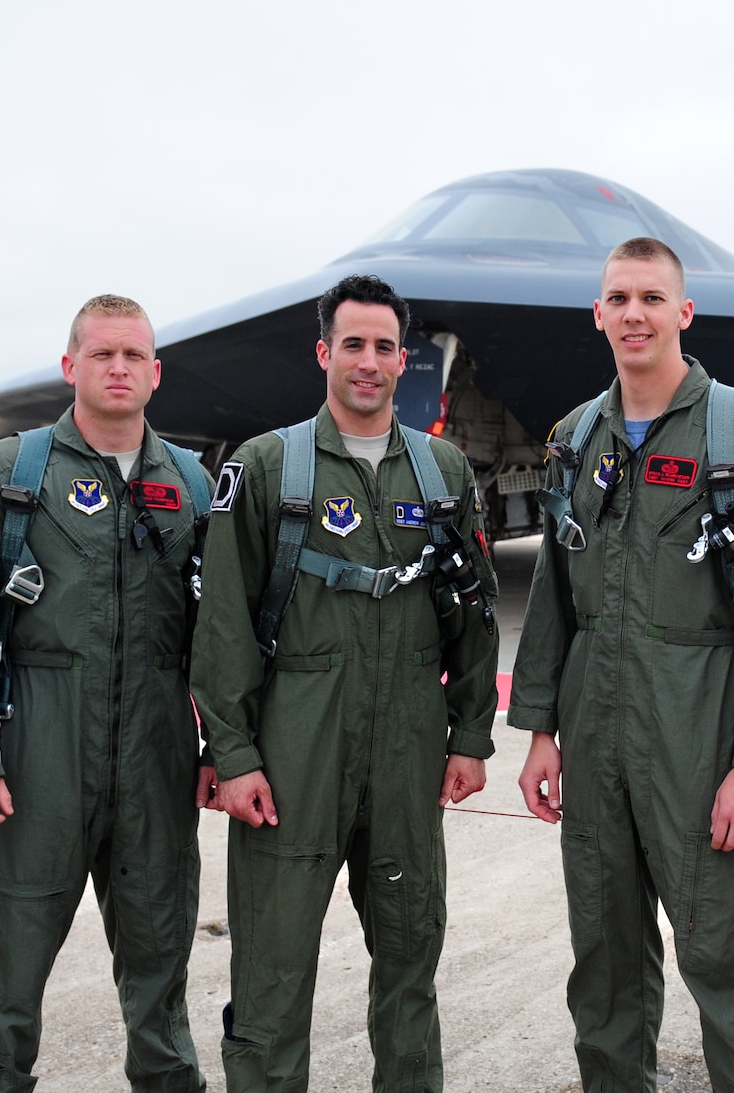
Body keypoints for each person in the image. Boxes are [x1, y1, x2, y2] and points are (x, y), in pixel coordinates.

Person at [509, 237, 734, 1092]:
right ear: (597, 314)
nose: (633, 314)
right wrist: (539, 730)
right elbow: (553, 591)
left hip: (701, 723)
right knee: (602, 960)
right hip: (593, 724)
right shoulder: (576, 435)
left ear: (684, 312)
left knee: (724, 956)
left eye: (651, 297)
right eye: (619, 299)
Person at [190, 273, 499, 1092]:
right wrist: (236, 753)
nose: (369, 362)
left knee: (409, 966)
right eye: (353, 345)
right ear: (325, 352)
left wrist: (470, 735)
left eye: (385, 348)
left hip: (406, 752)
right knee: (272, 978)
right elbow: (221, 624)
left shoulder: (443, 474)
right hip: (293, 754)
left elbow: (475, 614)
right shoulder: (265, 467)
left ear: (406, 362)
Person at [0, 295, 212, 1092]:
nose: (117, 369)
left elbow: (219, 635)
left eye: (133, 356)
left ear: (155, 373)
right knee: (11, 962)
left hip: (157, 746)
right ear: (70, 366)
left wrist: (226, 744)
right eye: (101, 354)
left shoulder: (188, 481)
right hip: (37, 744)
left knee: (160, 949)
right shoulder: (9, 474)